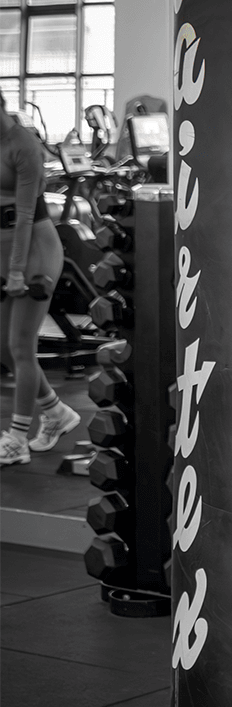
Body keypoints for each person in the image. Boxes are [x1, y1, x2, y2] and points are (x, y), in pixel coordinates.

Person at [0, 91, 82, 466]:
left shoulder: (24, 145)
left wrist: (17, 271)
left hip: (34, 248)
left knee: (20, 346)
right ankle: (56, 412)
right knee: (3, 347)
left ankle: (17, 439)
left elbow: (24, 215)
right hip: (5, 249)